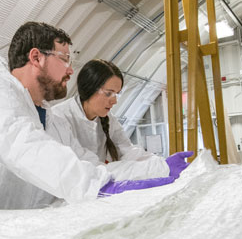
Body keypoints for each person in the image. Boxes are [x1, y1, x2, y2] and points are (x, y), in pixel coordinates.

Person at [0, 22, 174, 210]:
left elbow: (87, 163)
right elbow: (23, 146)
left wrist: (156, 169)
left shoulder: (48, 118)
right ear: (36, 57)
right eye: (64, 58)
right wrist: (96, 186)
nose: (70, 69)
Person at [53, 59, 192, 181]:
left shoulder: (108, 120)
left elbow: (127, 151)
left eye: (116, 94)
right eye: (108, 93)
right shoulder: (59, 117)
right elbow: (89, 167)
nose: (114, 101)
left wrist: (161, 163)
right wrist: (156, 169)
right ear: (88, 89)